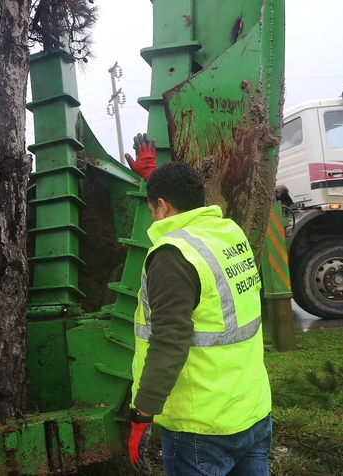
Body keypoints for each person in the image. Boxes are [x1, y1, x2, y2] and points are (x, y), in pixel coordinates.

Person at [123, 133, 272, 475]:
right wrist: (155, 180)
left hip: (201, 429)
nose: (153, 218)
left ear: (163, 206)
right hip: (251, 411)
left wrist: (142, 415)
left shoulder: (172, 256)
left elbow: (169, 341)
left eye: (152, 209)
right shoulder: (228, 233)